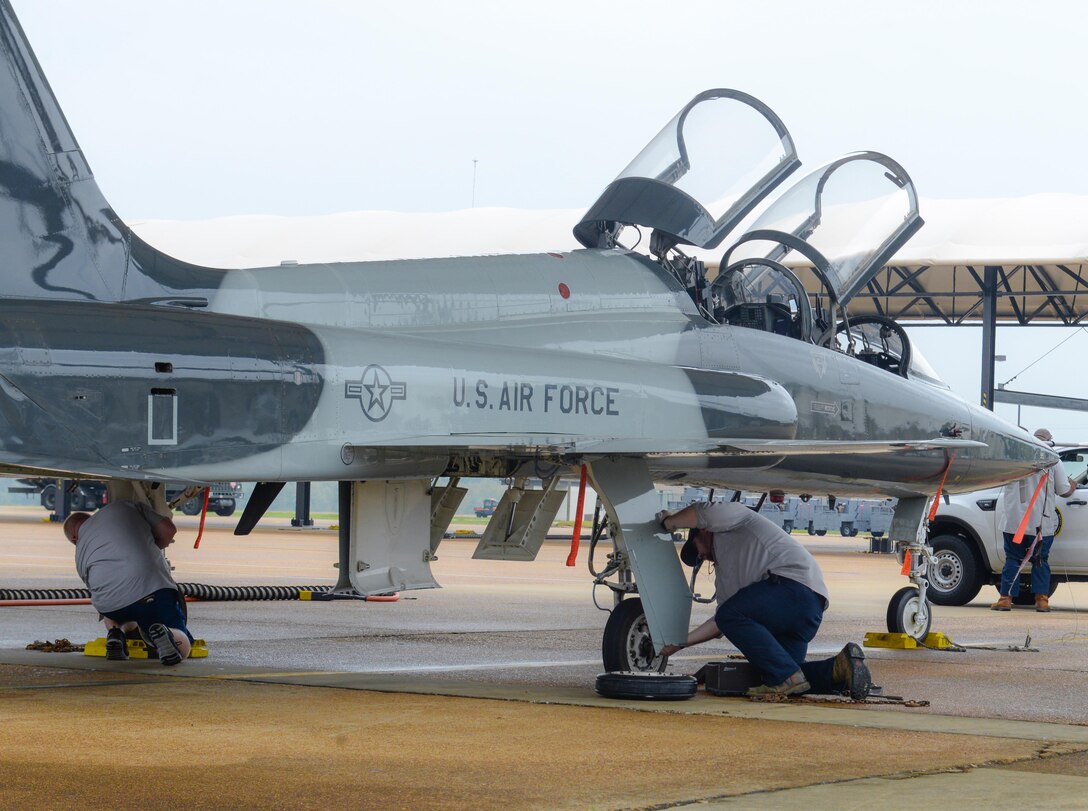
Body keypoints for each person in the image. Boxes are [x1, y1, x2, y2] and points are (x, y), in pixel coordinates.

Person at [656, 500, 871, 698]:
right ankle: (839, 670)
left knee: (782, 672)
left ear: (702, 531)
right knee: (783, 676)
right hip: (806, 608)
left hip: (791, 590)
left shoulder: (738, 519)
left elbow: (702, 511)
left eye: (696, 549)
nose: (701, 557)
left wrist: (670, 521)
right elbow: (719, 623)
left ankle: (788, 676)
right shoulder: (725, 575)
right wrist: (680, 643)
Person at [64, 500, 193, 665]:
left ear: (74, 538)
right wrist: (151, 548)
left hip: (111, 605)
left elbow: (95, 588)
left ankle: (116, 633)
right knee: (184, 646)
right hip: (152, 591)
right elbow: (169, 530)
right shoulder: (124, 505)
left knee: (117, 602)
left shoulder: (80, 552)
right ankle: (169, 635)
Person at [992, 428, 1076, 613]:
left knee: (1013, 559)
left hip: (1014, 522)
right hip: (1041, 524)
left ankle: (1005, 599)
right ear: (1048, 440)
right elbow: (1063, 489)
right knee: (1040, 560)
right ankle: (1041, 601)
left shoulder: (1012, 456)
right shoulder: (1052, 458)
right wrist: (1073, 485)